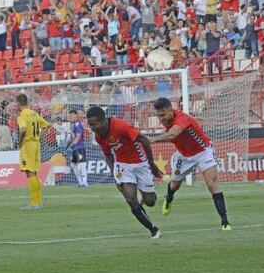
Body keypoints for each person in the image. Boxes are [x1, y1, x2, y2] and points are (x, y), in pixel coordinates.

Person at [149, 97, 231, 231]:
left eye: (162, 115)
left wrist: (152, 139)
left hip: (203, 151)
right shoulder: (168, 118)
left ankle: (225, 222)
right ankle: (169, 199)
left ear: (171, 110)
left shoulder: (182, 118)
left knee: (211, 183)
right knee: (175, 185)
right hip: (183, 155)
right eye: (158, 116)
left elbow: (171, 135)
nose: (161, 119)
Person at [86, 106, 162, 239]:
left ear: (103, 120)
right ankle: (153, 229)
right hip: (123, 166)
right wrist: (115, 174)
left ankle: (144, 197)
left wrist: (151, 163)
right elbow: (108, 155)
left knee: (151, 201)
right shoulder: (99, 137)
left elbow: (143, 140)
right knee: (130, 199)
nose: (92, 128)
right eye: (90, 125)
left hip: (141, 164)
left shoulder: (121, 126)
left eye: (94, 124)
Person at [16, 94, 49, 210]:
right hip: (36, 144)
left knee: (29, 173)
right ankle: (38, 201)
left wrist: (20, 142)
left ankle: (35, 203)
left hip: (28, 144)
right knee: (34, 173)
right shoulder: (34, 113)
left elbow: (23, 129)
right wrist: (39, 137)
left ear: (18, 104)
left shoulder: (22, 115)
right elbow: (46, 125)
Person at [65, 110, 88, 188]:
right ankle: (80, 182)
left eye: (71, 115)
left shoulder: (78, 124)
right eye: (69, 116)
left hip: (80, 147)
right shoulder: (73, 125)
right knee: (73, 165)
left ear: (76, 115)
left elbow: (78, 137)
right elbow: (72, 138)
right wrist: (66, 148)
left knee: (81, 164)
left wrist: (71, 146)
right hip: (75, 148)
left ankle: (85, 182)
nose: (70, 117)